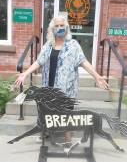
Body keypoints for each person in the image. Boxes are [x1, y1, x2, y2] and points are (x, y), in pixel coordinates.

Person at [14, 16, 109, 146]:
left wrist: (97, 76)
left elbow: (84, 62)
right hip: (49, 87)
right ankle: (46, 133)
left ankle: (68, 140)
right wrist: (25, 73)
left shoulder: (73, 45)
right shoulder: (48, 45)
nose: (59, 28)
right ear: (52, 29)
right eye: (57, 26)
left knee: (66, 115)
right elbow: (38, 62)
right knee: (47, 112)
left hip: (66, 88)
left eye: (62, 26)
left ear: (66, 28)